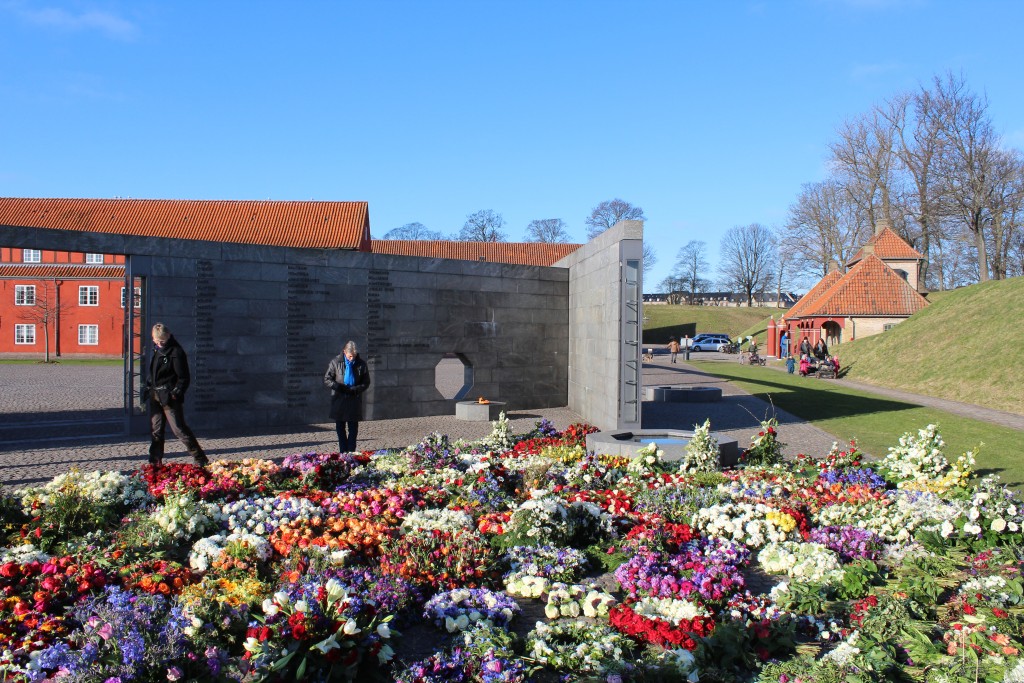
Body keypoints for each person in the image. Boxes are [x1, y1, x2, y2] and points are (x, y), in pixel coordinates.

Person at [146, 323, 208, 468]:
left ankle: (200, 457)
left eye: (161, 341)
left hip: (169, 396)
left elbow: (184, 377)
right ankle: (155, 461)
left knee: (179, 429)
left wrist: (175, 393)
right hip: (155, 394)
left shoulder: (176, 352)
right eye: (156, 340)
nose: (159, 343)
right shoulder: (155, 350)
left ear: (168, 336)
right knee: (156, 429)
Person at [324, 340, 371, 453]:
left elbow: (366, 382)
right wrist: (338, 387)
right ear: (345, 352)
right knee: (340, 429)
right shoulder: (335, 362)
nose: (352, 359)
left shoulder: (361, 364)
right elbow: (327, 379)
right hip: (339, 400)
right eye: (350, 356)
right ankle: (343, 453)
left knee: (353, 430)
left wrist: (356, 389)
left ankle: (351, 453)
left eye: (354, 356)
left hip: (354, 400)